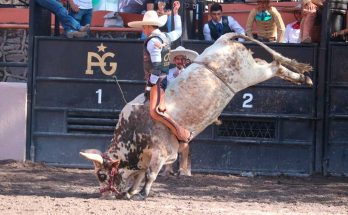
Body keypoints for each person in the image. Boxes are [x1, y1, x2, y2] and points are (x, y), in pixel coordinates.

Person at [128, 1, 192, 142]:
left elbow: (156, 68)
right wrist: (175, 15)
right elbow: (179, 32)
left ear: (148, 26)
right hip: (163, 78)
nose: (143, 30)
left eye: (144, 27)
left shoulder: (152, 42)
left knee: (156, 112)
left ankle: (181, 133)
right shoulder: (166, 37)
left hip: (157, 81)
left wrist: (149, 86)